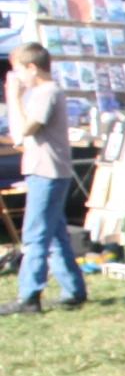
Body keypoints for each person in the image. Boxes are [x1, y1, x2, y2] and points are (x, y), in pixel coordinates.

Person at [0, 42, 87, 316]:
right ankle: (73, 289)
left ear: (31, 67)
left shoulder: (47, 92)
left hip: (46, 172)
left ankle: (29, 296)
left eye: (17, 71)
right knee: (55, 234)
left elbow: (22, 131)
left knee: (35, 234)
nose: (16, 79)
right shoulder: (43, 92)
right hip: (48, 170)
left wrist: (13, 98)